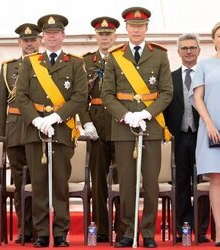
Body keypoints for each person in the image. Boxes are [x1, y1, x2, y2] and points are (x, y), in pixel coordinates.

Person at [101, 7, 173, 248]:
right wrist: (126, 116)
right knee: (128, 183)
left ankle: (149, 233)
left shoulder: (160, 55)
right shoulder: (115, 56)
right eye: (132, 26)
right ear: (126, 28)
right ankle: (128, 232)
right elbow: (107, 94)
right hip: (124, 129)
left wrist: (146, 113)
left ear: (147, 28)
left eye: (140, 26)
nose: (136, 30)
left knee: (151, 184)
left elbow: (166, 92)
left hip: (151, 127)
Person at [16, 14, 87, 247]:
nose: (52, 36)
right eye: (48, 33)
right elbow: (21, 95)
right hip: (35, 132)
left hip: (62, 131)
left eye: (56, 33)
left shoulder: (75, 63)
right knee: (38, 185)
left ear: (63, 36)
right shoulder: (30, 62)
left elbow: (79, 97)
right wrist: (36, 120)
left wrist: (57, 116)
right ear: (42, 37)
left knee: (59, 184)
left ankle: (60, 233)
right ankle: (41, 233)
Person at [0, 23, 42, 243]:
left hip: (40, 129)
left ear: (39, 41)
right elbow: (1, 106)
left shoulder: (47, 65)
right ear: (19, 43)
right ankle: (25, 228)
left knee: (39, 182)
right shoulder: (8, 68)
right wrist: (1, 137)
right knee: (20, 183)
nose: (29, 44)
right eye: (26, 40)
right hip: (14, 132)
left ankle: (40, 228)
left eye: (33, 40)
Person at [164, 33, 210, 242]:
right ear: (178, 52)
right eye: (185, 48)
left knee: (202, 182)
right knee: (181, 182)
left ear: (199, 50)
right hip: (178, 136)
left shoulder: (208, 75)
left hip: (203, 136)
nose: (189, 51)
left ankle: (201, 229)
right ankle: (184, 226)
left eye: (192, 47)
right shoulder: (170, 77)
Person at [79, 16, 120, 243]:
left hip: (121, 126)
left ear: (115, 37)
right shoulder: (86, 61)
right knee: (99, 182)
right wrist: (86, 122)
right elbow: (79, 97)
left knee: (123, 179)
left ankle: (123, 227)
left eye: (108, 35)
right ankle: (102, 228)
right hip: (97, 127)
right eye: (101, 35)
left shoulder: (123, 59)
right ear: (96, 37)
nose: (105, 38)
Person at [190, 22, 220, 247]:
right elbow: (197, 97)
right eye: (219, 35)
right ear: (213, 39)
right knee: (217, 180)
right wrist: (209, 123)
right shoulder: (205, 65)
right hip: (212, 128)